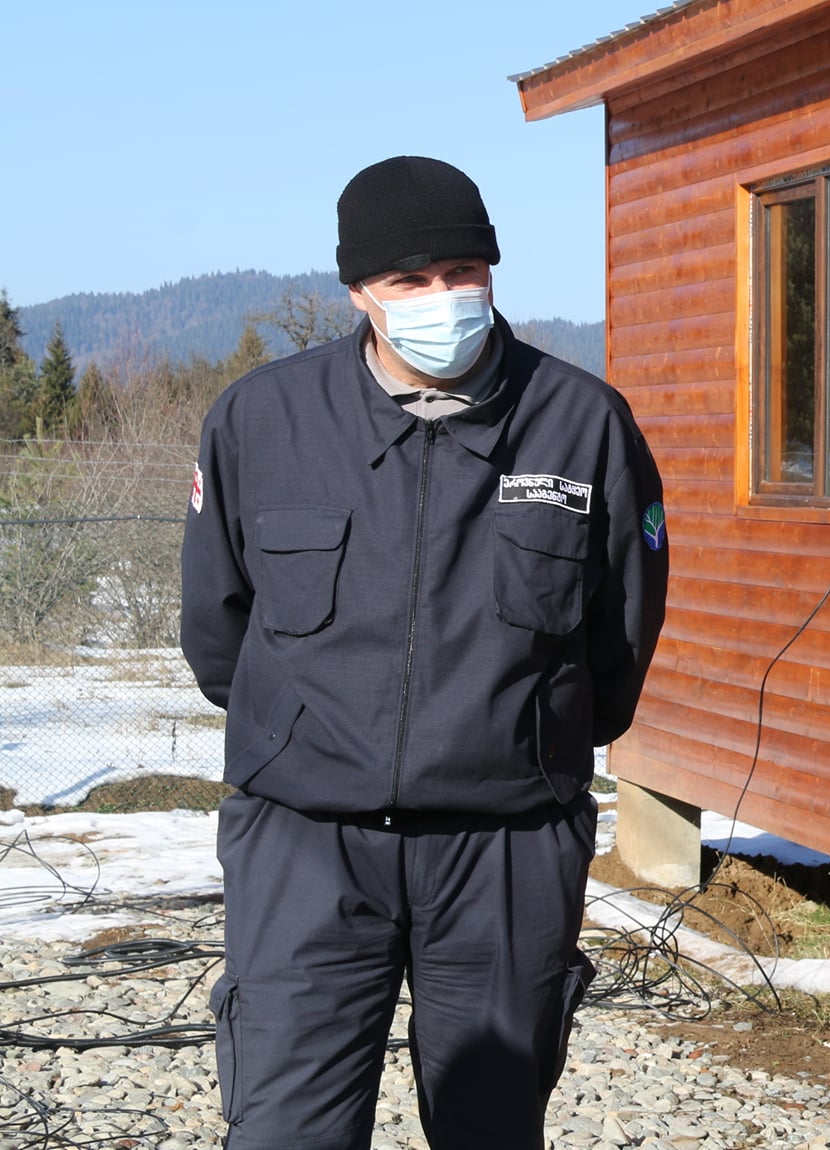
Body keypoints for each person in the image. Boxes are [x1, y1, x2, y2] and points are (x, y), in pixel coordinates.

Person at [181, 155, 668, 1150]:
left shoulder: (581, 424)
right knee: (286, 1130)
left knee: (491, 1127)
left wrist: (520, 743)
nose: (442, 297)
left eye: (462, 271)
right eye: (409, 279)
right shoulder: (263, 420)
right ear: (358, 290)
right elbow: (218, 631)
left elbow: (620, 635)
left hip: (505, 847)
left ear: (491, 271)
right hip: (306, 841)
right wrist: (308, 740)